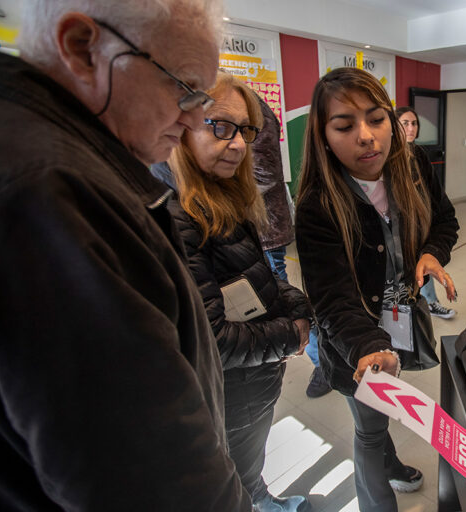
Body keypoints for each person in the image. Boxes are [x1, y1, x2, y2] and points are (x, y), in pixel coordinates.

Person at [0, 1, 253, 510]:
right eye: (183, 86)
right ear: (82, 48)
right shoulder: (50, 195)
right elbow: (159, 484)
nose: (197, 116)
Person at [295, 68, 459, 512]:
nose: (366, 137)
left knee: (380, 415)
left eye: (376, 119)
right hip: (357, 340)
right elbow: (332, 297)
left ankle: (388, 461)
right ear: (324, 136)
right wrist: (367, 345)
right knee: (369, 427)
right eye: (345, 126)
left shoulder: (415, 165)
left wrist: (431, 252)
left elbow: (445, 220)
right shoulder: (318, 204)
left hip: (399, 319)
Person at [151, 72, 312, 512]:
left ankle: (261, 498)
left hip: (253, 384)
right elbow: (212, 338)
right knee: (234, 476)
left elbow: (252, 276)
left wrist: (298, 304)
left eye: (246, 129)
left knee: (248, 466)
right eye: (220, 126)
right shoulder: (179, 216)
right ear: (182, 126)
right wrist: (290, 334)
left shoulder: (219, 196)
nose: (239, 144)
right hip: (232, 394)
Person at [250, 92, 331, 398]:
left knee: (283, 302)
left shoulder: (253, 110)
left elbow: (264, 173)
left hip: (263, 233)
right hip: (258, 232)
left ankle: (321, 361)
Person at [396, 106, 456, 320]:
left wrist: (433, 251)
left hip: (422, 234)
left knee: (423, 269)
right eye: (405, 123)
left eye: (414, 123)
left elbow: (445, 216)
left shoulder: (419, 155)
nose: (411, 128)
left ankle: (431, 303)